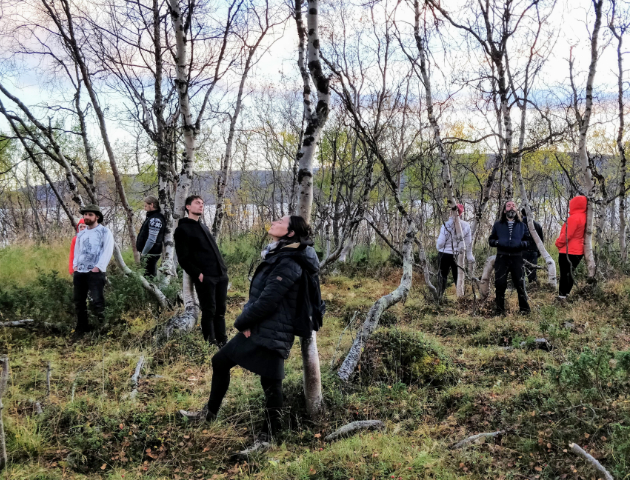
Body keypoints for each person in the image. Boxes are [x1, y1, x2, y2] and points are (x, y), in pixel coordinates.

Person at [179, 215, 320, 442]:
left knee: (271, 382)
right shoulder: (279, 253)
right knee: (224, 363)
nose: (274, 222)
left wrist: (242, 322)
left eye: (280, 222)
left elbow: (268, 299)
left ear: (291, 233)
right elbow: (260, 295)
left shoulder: (289, 261)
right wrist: (248, 320)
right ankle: (210, 415)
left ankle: (268, 437)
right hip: (263, 324)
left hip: (274, 329)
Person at [174, 195, 229, 346]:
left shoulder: (203, 226)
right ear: (188, 207)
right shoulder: (182, 230)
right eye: (197, 203)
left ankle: (222, 340)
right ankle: (210, 342)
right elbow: (183, 258)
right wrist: (198, 274)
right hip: (206, 277)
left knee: (220, 310)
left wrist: (223, 271)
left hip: (220, 275)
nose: (201, 205)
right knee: (209, 310)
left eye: (202, 203)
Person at [72, 204, 114, 335]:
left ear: (97, 217)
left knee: (97, 301)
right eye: (85, 214)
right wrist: (75, 266)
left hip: (95, 272)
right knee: (79, 302)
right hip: (80, 272)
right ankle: (81, 329)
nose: (87, 217)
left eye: (90, 214)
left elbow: (108, 250)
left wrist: (99, 267)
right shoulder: (82, 234)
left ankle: (102, 329)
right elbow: (77, 251)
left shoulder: (104, 232)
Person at [488, 201, 531, 315]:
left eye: (513, 206)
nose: (511, 208)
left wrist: (520, 245)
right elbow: (491, 240)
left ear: (516, 210)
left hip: (517, 258)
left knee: (520, 283)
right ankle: (499, 310)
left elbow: (528, 241)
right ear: (504, 210)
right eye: (508, 206)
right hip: (502, 257)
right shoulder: (498, 225)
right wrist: (498, 242)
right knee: (500, 284)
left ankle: (524, 310)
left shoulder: (522, 225)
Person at [554, 195, 587, 303]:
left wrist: (558, 243)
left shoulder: (574, 218)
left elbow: (567, 235)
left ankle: (562, 297)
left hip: (568, 250)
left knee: (564, 274)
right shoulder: (585, 217)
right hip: (579, 251)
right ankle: (566, 294)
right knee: (570, 273)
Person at [435, 204, 472, 297]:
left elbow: (440, 242)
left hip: (444, 254)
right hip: (458, 255)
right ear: (461, 213)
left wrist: (438, 248)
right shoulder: (466, 225)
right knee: (458, 277)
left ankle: (439, 297)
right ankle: (461, 297)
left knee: (442, 276)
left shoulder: (446, 225)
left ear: (451, 212)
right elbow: (468, 242)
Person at [136, 195, 166, 277]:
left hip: (151, 253)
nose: (144, 208)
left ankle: (152, 289)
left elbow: (152, 239)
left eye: (146, 205)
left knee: (149, 276)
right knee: (148, 274)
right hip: (150, 252)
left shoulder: (155, 219)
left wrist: (144, 253)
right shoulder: (152, 217)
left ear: (151, 205)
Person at [521, 208, 544, 285]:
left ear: (522, 214)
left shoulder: (518, 224)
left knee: (519, 272)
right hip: (533, 251)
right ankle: (532, 288)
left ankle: (520, 289)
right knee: (532, 271)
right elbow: (541, 241)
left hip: (521, 251)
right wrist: (539, 252)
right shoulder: (537, 225)